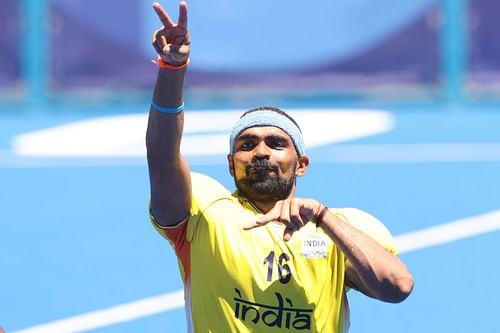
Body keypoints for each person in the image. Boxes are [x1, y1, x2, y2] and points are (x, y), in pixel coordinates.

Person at [146, 2, 414, 332]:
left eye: (276, 143)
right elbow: (162, 158)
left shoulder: (339, 228)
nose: (261, 152)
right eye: (247, 145)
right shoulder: (203, 214)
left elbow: (397, 286)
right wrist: (173, 69)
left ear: (301, 164)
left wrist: (324, 218)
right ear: (231, 165)